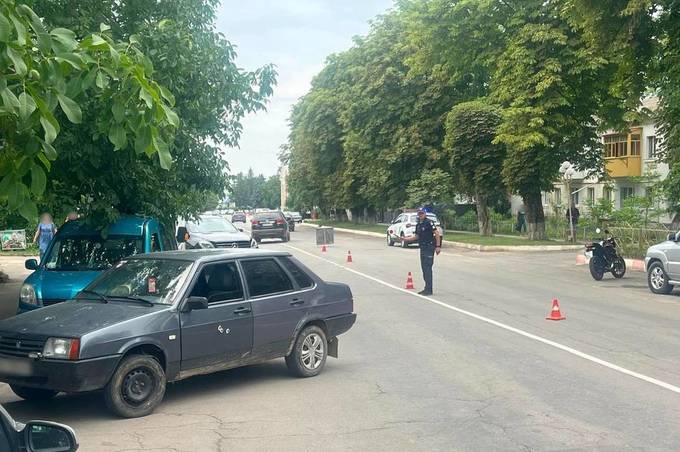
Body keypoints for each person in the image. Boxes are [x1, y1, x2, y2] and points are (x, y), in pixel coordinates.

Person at [397, 208, 442, 295]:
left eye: (422, 213)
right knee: (424, 269)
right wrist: (405, 239)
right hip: (423, 248)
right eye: (419, 213)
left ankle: (429, 290)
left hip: (429, 247)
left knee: (428, 268)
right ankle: (426, 288)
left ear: (425, 214)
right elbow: (416, 236)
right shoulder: (418, 225)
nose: (420, 215)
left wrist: (438, 246)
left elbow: (436, 233)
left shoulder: (429, 222)